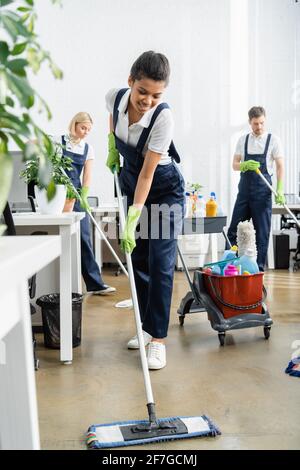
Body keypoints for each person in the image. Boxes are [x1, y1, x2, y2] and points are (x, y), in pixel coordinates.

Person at [105, 51, 185, 370]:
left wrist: (133, 218)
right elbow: (113, 117)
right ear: (130, 82)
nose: (147, 100)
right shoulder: (113, 97)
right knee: (138, 260)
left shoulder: (163, 118)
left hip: (163, 190)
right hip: (130, 181)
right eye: (142, 92)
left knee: (160, 262)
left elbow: (148, 174)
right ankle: (144, 327)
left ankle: (159, 341)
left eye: (156, 95)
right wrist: (112, 144)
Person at [56, 112, 116, 295]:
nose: (85, 132)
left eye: (88, 130)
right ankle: (56, 283)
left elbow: (87, 176)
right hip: (57, 195)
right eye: (83, 128)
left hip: (77, 196)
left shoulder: (87, 148)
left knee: (84, 238)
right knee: (57, 237)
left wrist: (84, 194)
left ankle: (95, 284)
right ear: (74, 124)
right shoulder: (58, 142)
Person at [227, 106, 285, 271]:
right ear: (249, 122)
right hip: (244, 193)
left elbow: (280, 166)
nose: (259, 127)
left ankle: (256, 269)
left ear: (265, 120)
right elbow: (235, 165)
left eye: (261, 123)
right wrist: (244, 165)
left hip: (262, 193)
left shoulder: (273, 140)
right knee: (234, 229)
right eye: (255, 124)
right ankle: (229, 265)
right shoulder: (243, 140)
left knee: (262, 233)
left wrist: (280, 189)